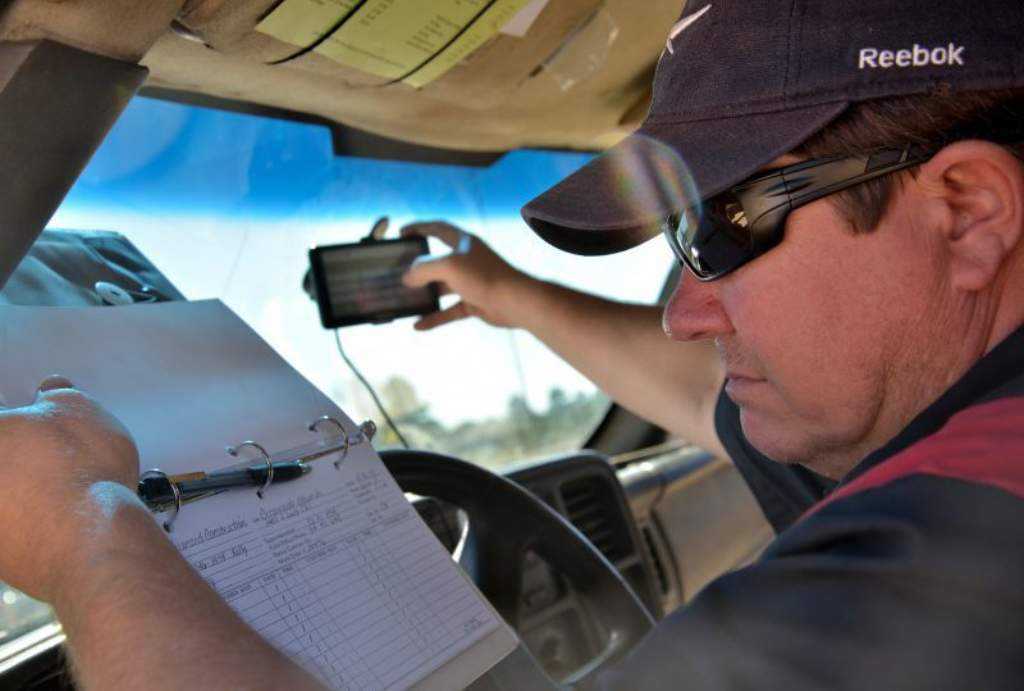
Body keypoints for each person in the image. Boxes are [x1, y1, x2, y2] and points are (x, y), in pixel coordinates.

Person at [3, 0, 1024, 688]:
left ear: (969, 212)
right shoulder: (948, 422)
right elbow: (712, 396)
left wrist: (87, 535)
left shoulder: (928, 572)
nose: (686, 310)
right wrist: (512, 298)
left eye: (723, 229)